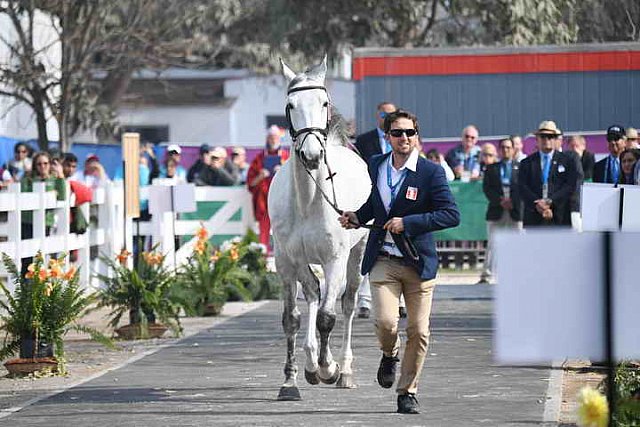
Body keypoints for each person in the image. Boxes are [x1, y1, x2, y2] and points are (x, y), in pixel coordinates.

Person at [339, 109, 460, 415]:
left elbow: (451, 214)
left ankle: (407, 391)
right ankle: (388, 353)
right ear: (388, 136)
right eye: (397, 133)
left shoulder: (431, 172)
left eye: (409, 132)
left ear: (416, 136)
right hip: (383, 259)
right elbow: (375, 205)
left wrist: (410, 222)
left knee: (419, 331)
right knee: (385, 323)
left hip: (418, 264)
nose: (403, 138)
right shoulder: (377, 164)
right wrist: (357, 217)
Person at [353, 102, 403, 319]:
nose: (387, 117)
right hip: (370, 199)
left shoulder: (402, 138)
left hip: (398, 202)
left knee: (401, 250)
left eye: (391, 114)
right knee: (369, 248)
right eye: (383, 114)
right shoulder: (364, 141)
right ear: (377, 115)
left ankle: (400, 301)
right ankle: (364, 300)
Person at [518, 120, 577, 227]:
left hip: (559, 216)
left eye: (550, 137)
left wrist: (551, 201)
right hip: (534, 217)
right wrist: (537, 204)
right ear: (537, 139)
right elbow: (522, 186)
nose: (546, 140)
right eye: (543, 136)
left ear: (555, 139)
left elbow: (570, 186)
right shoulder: (526, 163)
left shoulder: (567, 161)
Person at [479, 138, 522, 284]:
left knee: (518, 242)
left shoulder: (521, 167)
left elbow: (523, 187)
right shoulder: (492, 168)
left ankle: (518, 273)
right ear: (499, 150)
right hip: (497, 207)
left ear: (513, 149)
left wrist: (513, 201)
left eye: (508, 147)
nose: (505, 150)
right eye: (503, 147)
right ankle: (487, 274)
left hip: (515, 209)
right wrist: (500, 200)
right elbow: (487, 188)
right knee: (493, 243)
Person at [247, 126, 290, 251]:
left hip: (283, 201)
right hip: (264, 200)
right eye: (270, 138)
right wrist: (260, 176)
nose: (273, 140)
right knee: (264, 231)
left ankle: (285, 255)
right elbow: (251, 183)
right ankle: (263, 256)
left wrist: (283, 171)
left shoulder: (286, 157)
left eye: (275, 137)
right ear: (267, 139)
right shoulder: (259, 159)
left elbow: (295, 179)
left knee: (284, 230)